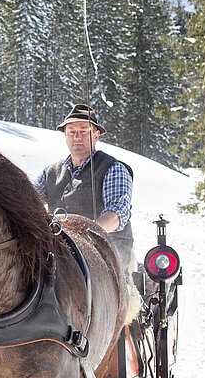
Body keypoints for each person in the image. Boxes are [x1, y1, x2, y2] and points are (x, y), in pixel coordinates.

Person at [34, 103, 135, 269]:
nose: (77, 137)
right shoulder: (50, 172)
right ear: (65, 136)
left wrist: (87, 234)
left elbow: (117, 213)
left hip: (106, 251)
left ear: (96, 136)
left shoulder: (113, 168)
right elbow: (30, 200)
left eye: (83, 132)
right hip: (58, 249)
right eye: (72, 132)